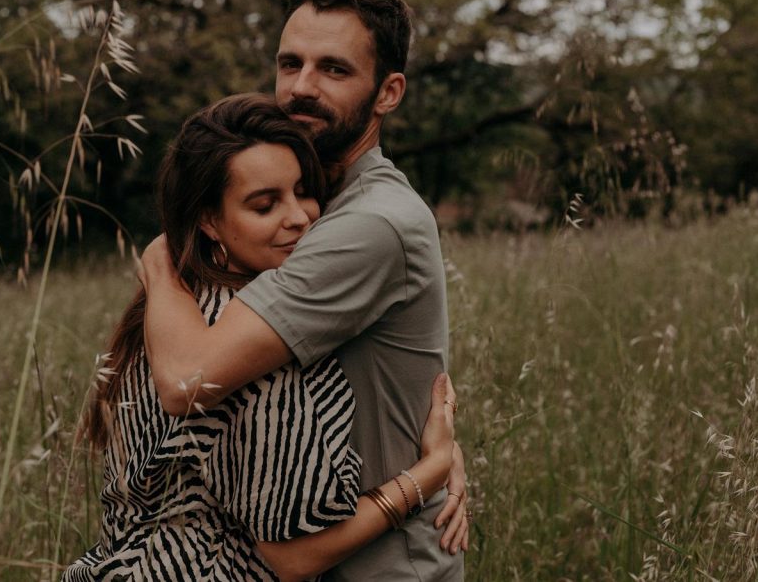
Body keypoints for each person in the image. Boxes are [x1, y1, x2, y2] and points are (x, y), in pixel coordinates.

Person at [140, 0, 468, 580]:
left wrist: (161, 260)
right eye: (290, 63)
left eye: (334, 70)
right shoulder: (308, 208)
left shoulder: (371, 223)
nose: (300, 88)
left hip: (379, 569)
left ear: (388, 91)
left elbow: (188, 381)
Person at [63, 94, 462, 581]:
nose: (299, 217)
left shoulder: (174, 307)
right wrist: (428, 474)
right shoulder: (250, 360)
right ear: (209, 220)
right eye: (265, 204)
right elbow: (293, 558)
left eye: (302, 190)